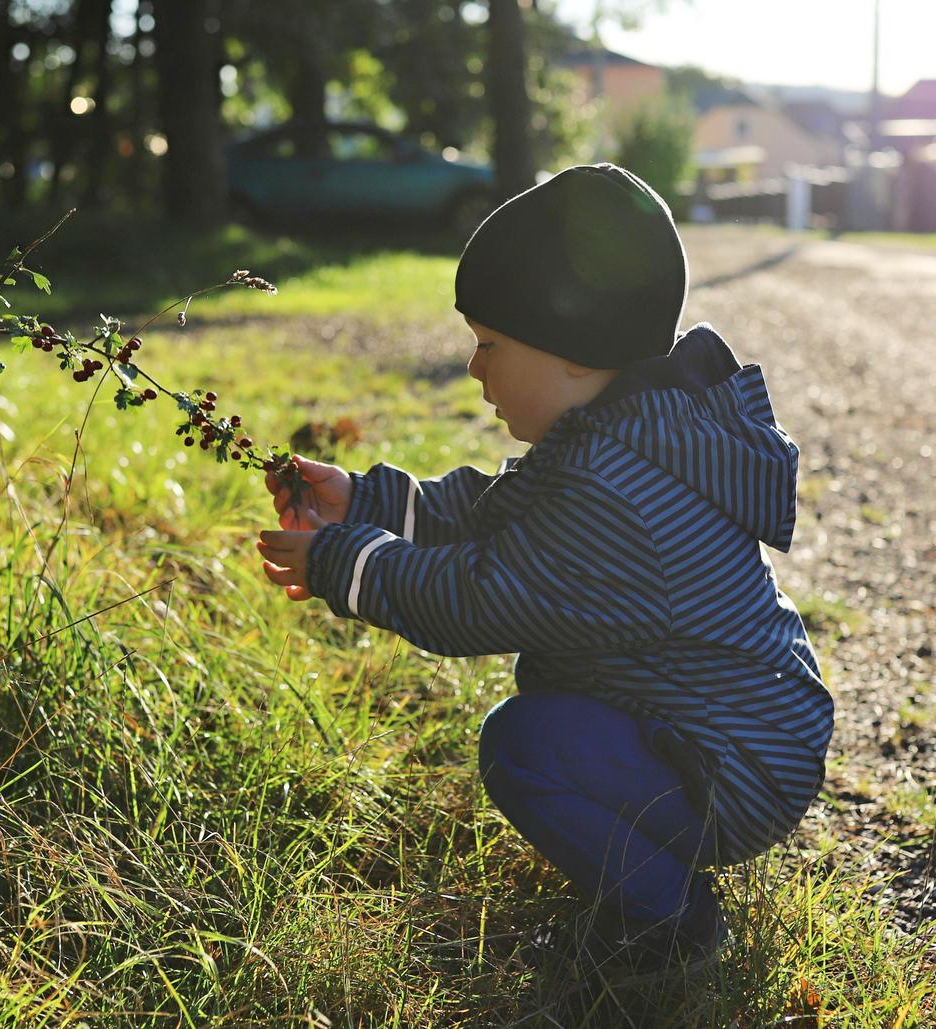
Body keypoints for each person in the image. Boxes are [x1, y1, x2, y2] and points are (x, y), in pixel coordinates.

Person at [255, 163, 834, 973]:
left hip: (733, 761)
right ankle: (647, 867)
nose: (473, 368)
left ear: (571, 351)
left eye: (490, 343)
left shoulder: (616, 493)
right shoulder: (620, 438)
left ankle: (672, 920)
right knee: (550, 720)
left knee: (526, 744)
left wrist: (347, 564)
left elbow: (477, 597)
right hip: (733, 734)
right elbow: (490, 511)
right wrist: (363, 499)